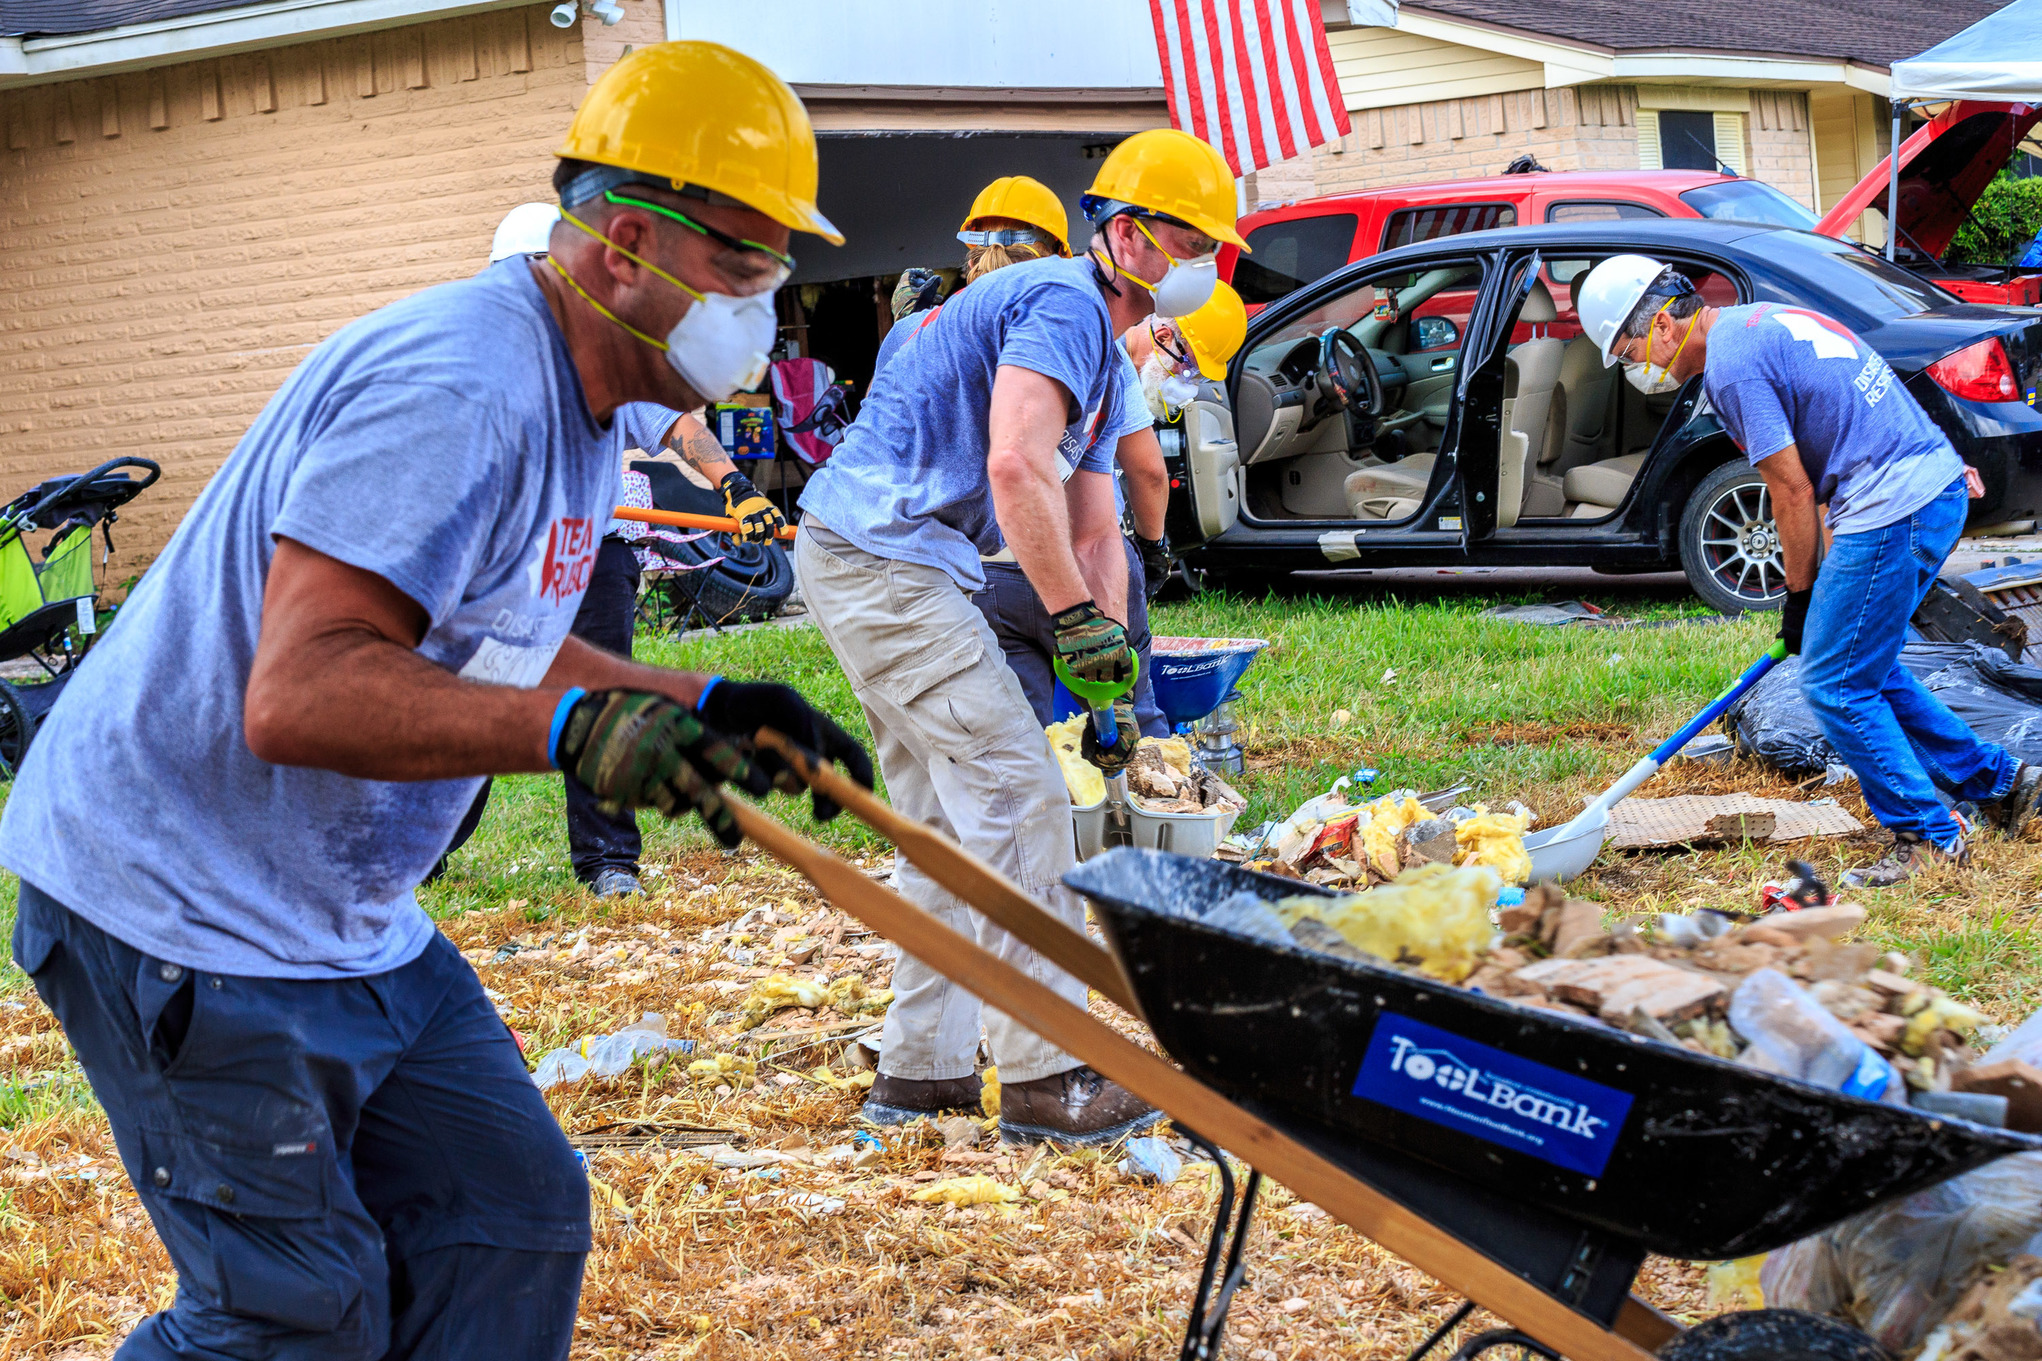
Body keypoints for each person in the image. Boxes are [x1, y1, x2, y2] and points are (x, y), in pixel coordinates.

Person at [0, 42, 869, 1361]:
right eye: (744, 270)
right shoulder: (459, 388)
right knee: (297, 1319)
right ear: (629, 244)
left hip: (337, 914)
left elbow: (495, 643)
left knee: (507, 1219)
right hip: (174, 898)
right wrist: (578, 735)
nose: (762, 309)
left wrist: (691, 690)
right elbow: (299, 692)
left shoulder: (585, 403)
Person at [793, 128, 1246, 1144]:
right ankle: (1049, 1077)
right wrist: (1076, 623)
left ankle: (921, 1071)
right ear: (1125, 236)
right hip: (886, 558)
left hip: (878, 554)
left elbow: (1094, 527)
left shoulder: (1097, 353)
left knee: (952, 826)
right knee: (1019, 800)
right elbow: (1011, 466)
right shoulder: (1061, 301)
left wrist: (1113, 667)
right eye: (1189, 243)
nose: (1201, 266)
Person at [1578, 254, 2042, 887]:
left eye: (1629, 348)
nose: (1639, 365)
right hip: (1917, 491)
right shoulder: (1759, 321)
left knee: (1833, 683)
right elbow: (1833, 453)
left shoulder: (1731, 370)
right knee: (1863, 665)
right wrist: (1823, 586)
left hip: (1894, 506)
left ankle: (1928, 837)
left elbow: (1790, 491)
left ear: (1661, 323)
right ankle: (1998, 782)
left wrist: (1797, 598)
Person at [468, 209, 794, 899]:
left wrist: (733, 486)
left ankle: (609, 863)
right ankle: (422, 847)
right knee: (473, 699)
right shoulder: (482, 365)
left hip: (594, 556)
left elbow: (673, 418)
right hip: (506, 564)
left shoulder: (607, 351)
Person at [976, 284, 1247, 737]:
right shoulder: (1109, 359)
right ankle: (1157, 799)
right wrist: (1151, 546)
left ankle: (1059, 803)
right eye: (1186, 365)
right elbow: (1147, 472)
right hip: (1079, 563)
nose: (1185, 383)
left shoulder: (1000, 341)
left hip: (989, 566)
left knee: (1021, 738)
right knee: (1132, 716)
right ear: (1163, 330)